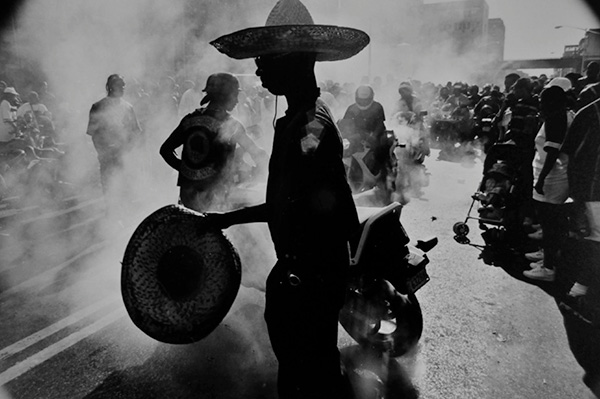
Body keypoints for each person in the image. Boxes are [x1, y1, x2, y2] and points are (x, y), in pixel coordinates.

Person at [208, 0, 369, 397]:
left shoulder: (309, 128)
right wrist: (227, 220)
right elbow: (290, 201)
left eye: (266, 58)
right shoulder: (299, 120)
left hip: (309, 277)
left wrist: (331, 276)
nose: (259, 68)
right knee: (310, 367)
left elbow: (328, 206)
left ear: (294, 61)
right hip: (307, 274)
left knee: (309, 373)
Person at [160, 72, 268, 212]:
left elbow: (165, 150)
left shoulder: (190, 119)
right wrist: (258, 168)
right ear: (226, 96)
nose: (237, 100)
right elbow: (256, 153)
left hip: (188, 194)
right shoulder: (231, 124)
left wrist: (187, 171)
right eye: (235, 95)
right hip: (217, 194)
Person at [523, 86, 573, 281]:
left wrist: (542, 179)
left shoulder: (556, 118)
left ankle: (548, 268)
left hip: (553, 177)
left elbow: (553, 152)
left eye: (543, 100)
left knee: (550, 224)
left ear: (552, 102)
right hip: (553, 175)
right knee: (547, 223)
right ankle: (545, 256)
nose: (540, 104)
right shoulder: (565, 115)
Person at [86, 74, 142, 220]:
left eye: (123, 86)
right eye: (120, 85)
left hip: (123, 153)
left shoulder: (127, 107)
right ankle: (111, 212)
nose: (123, 88)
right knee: (108, 183)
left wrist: (128, 150)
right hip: (106, 153)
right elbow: (94, 133)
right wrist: (102, 151)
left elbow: (135, 132)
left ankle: (123, 212)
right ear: (111, 86)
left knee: (123, 183)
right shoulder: (98, 106)